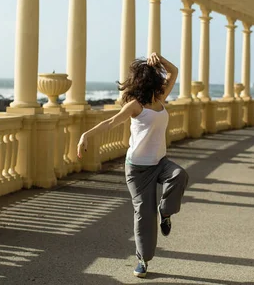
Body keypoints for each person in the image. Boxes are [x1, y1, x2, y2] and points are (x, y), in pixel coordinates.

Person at [77, 53, 189, 278]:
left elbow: (174, 71)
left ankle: (165, 211)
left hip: (160, 162)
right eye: (154, 76)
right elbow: (110, 122)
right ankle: (142, 260)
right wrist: (85, 135)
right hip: (138, 169)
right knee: (144, 216)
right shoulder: (135, 106)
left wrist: (160, 59)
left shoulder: (160, 98)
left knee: (179, 175)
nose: (158, 79)